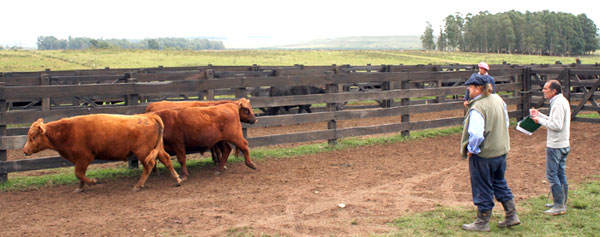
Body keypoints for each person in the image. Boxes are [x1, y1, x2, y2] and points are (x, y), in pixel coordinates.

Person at [460, 74, 520, 232]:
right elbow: (506, 122)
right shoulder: (498, 100)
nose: (468, 89)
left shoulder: (478, 107)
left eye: (471, 87)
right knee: (499, 182)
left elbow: (477, 134)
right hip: (500, 151)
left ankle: (482, 222)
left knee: (482, 186)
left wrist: (472, 149)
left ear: (479, 89)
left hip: (484, 155)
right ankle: (511, 214)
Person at [530, 80, 571, 216]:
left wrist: (539, 121)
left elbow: (556, 125)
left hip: (556, 144)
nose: (543, 91)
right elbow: (554, 121)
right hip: (563, 143)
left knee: (552, 175)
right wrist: (539, 115)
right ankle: (561, 202)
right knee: (560, 174)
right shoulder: (561, 101)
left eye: (546, 89)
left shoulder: (558, 104)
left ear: (554, 91)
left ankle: (559, 205)